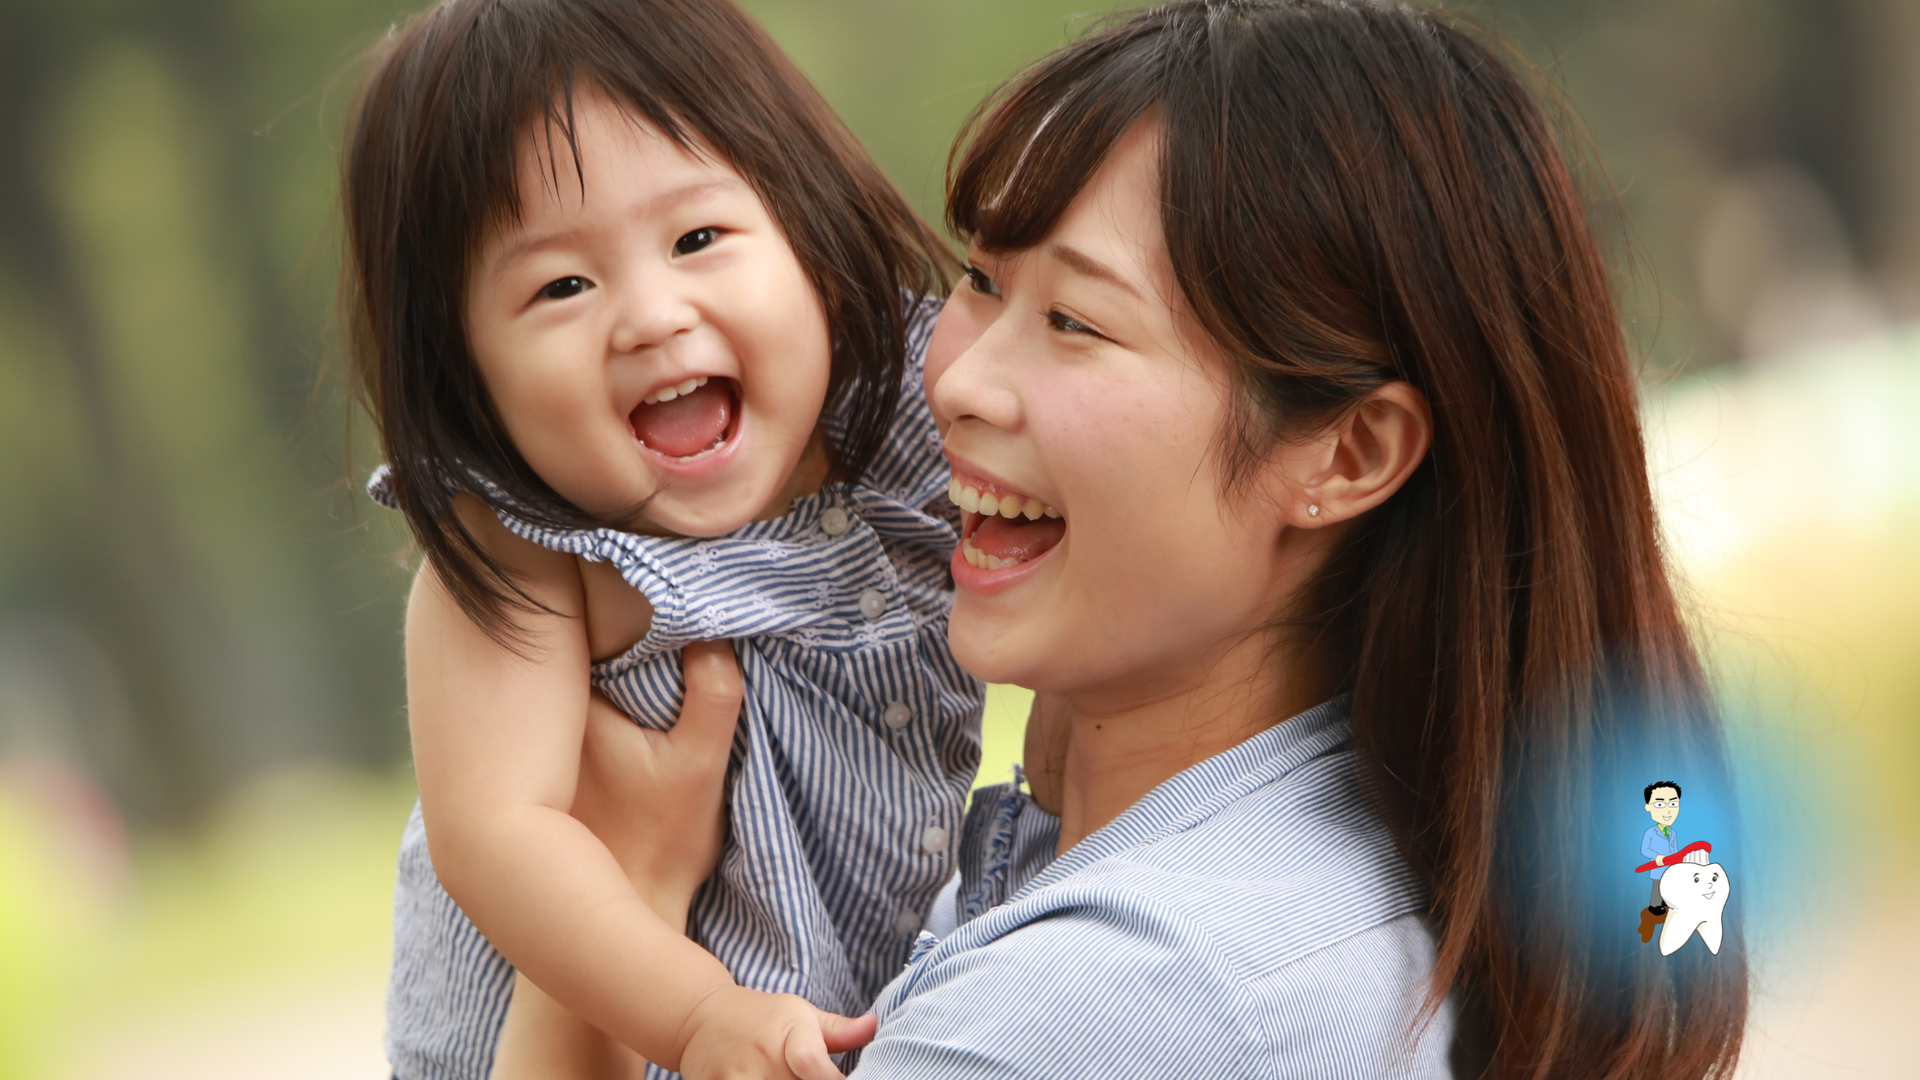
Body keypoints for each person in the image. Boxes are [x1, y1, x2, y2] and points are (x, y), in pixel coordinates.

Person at [586, 2, 1751, 1077]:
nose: (961, 381)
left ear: (1347, 456)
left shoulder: (1122, 996)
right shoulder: (1372, 873)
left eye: (1076, 321)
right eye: (981, 279)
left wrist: (607, 915)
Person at [338, 1, 979, 1077]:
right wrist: (690, 1016)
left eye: (696, 239)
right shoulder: (524, 543)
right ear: (466, 368)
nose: (649, 314)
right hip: (609, 1033)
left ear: (805, 229)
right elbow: (495, 832)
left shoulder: (914, 431)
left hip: (846, 1025)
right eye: (561, 286)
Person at [1641, 781, 1684, 934]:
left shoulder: (1673, 833)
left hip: (1671, 869)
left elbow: (1675, 850)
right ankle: (1654, 907)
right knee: (1657, 889)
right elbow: (1644, 849)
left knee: (1669, 889)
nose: (1667, 810)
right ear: (1648, 807)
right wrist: (1656, 856)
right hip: (1658, 869)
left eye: (1673, 804)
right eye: (1660, 805)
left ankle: (1668, 904)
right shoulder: (1650, 833)